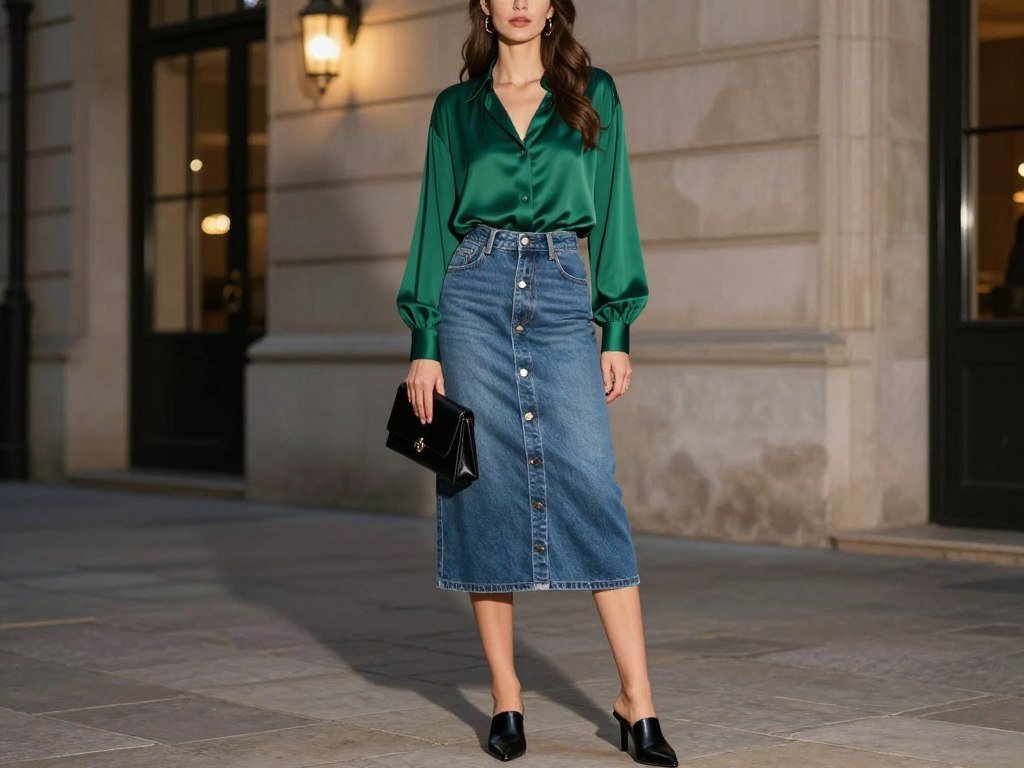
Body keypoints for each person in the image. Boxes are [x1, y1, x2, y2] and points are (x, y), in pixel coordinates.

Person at [395, 2, 676, 765]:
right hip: (471, 293)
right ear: (484, 4)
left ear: (554, 5)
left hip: (558, 290)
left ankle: (637, 699)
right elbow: (432, 223)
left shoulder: (595, 95)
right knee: (478, 487)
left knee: (591, 481)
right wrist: (425, 342)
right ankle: (507, 696)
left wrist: (615, 327)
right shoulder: (456, 109)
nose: (520, 1)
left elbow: (614, 211)